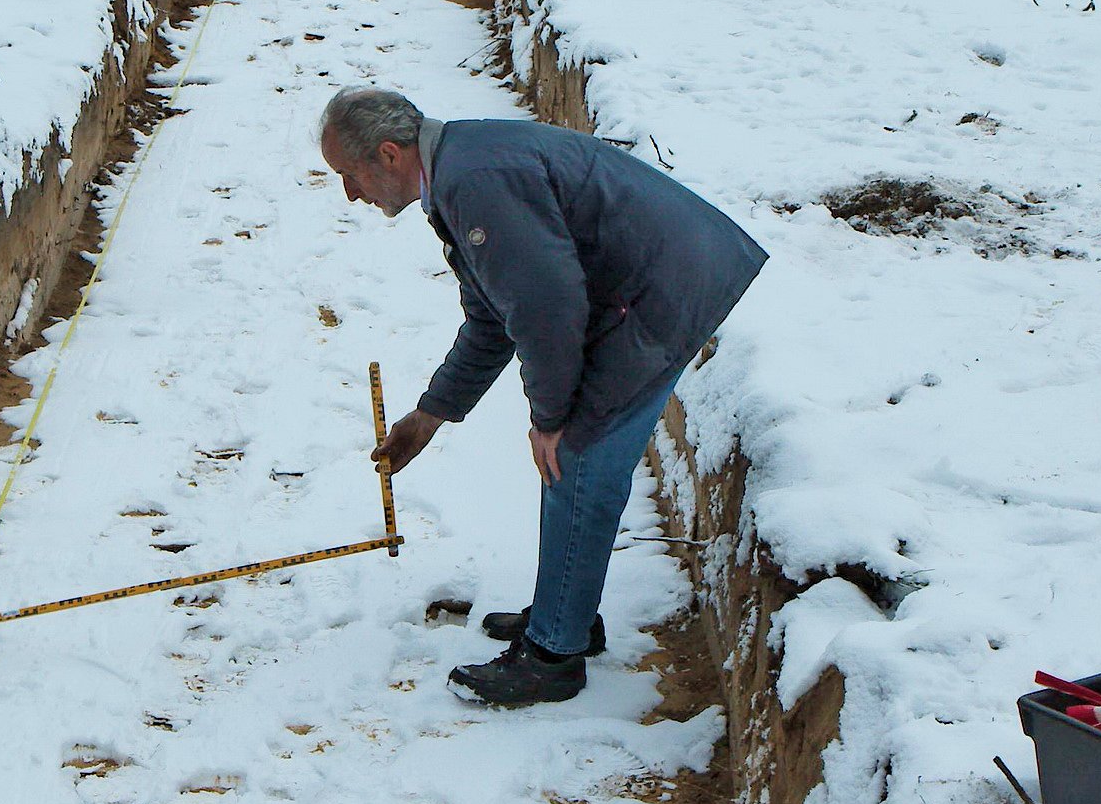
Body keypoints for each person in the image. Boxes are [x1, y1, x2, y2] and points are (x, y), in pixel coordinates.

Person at [318, 87, 766, 705]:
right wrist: (431, 414)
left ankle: (555, 653)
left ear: (389, 155)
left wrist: (551, 419)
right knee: (576, 454)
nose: (350, 193)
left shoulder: (475, 182)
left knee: (577, 455)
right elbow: (492, 312)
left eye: (349, 175)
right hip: (650, 280)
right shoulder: (458, 171)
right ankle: (565, 613)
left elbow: (546, 307)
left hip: (663, 287)